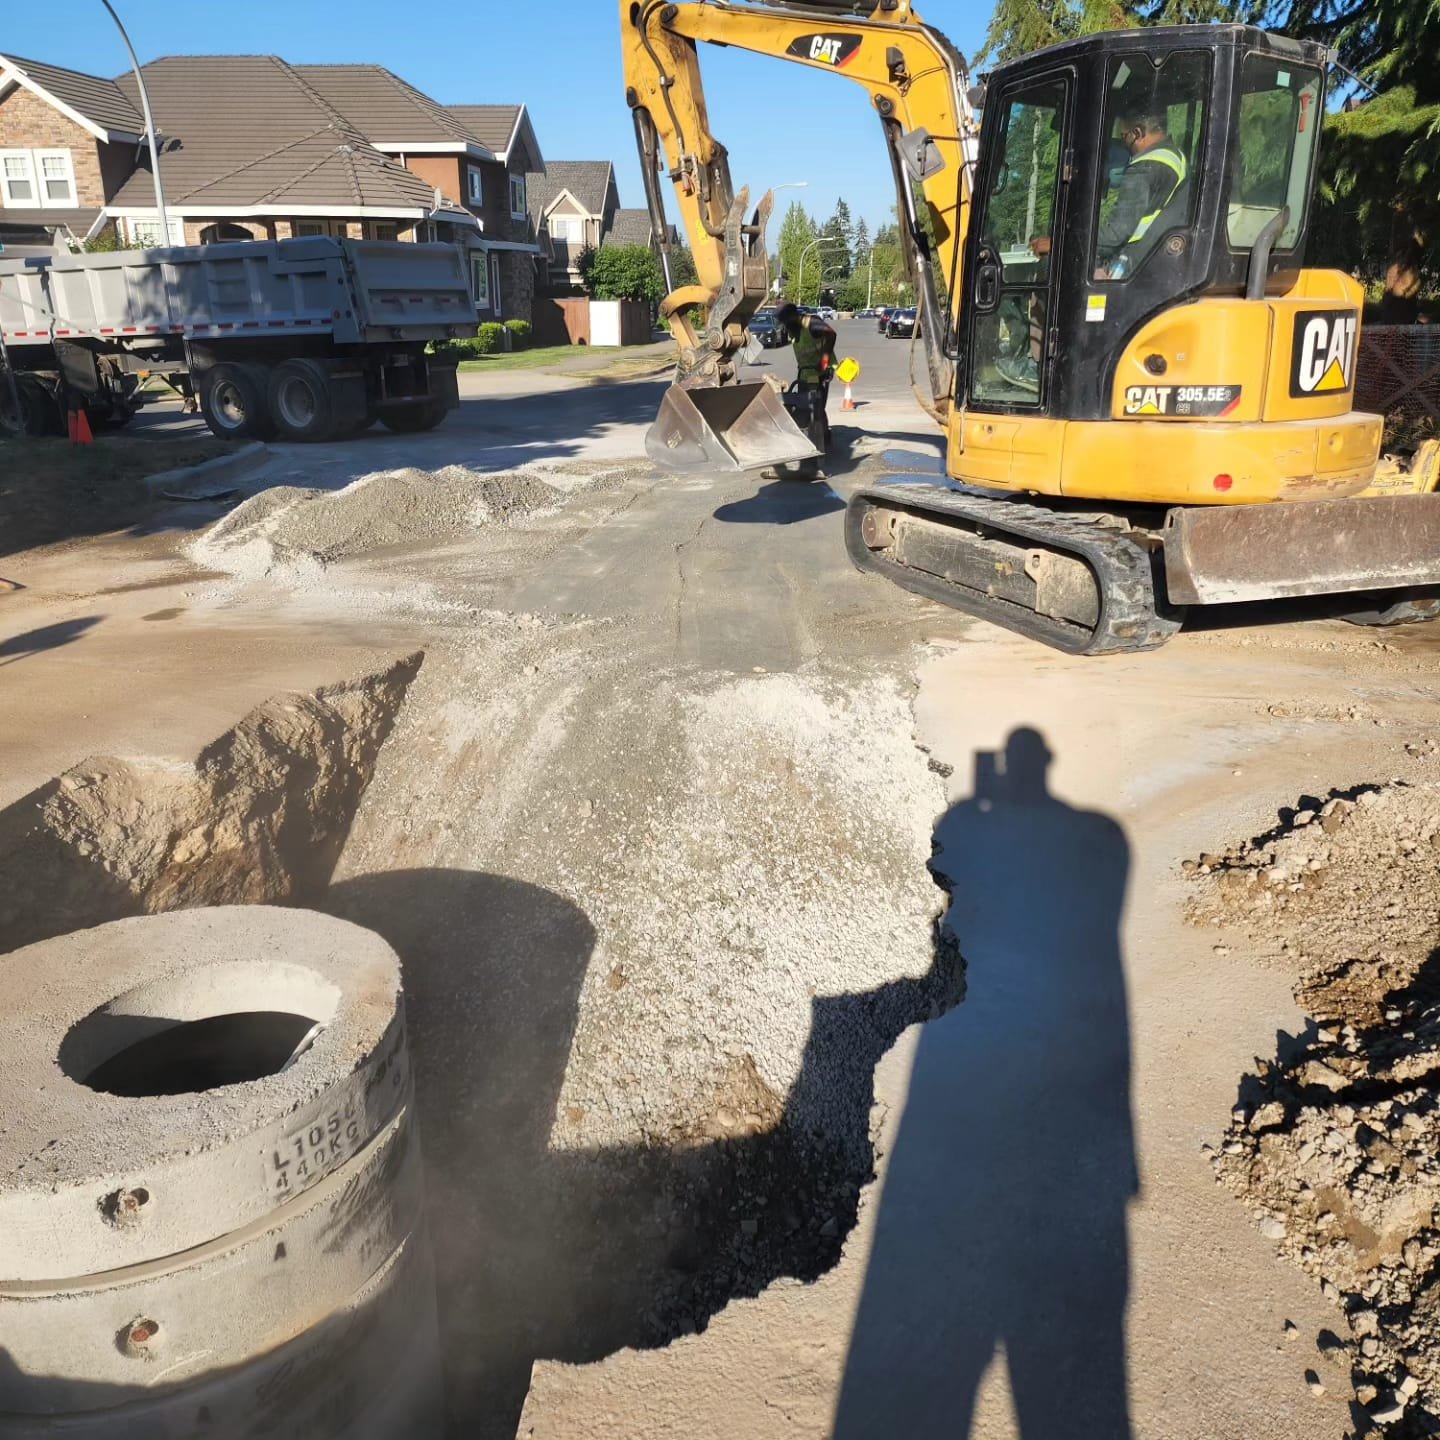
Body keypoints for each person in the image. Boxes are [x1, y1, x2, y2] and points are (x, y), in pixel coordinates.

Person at [1030, 105, 1188, 278]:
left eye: (1123, 136)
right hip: (1156, 263)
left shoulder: (1143, 168)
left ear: (1137, 133)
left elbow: (1116, 233)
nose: (1123, 145)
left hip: (1134, 270)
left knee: (1053, 268)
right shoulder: (1176, 157)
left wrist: (1060, 243)